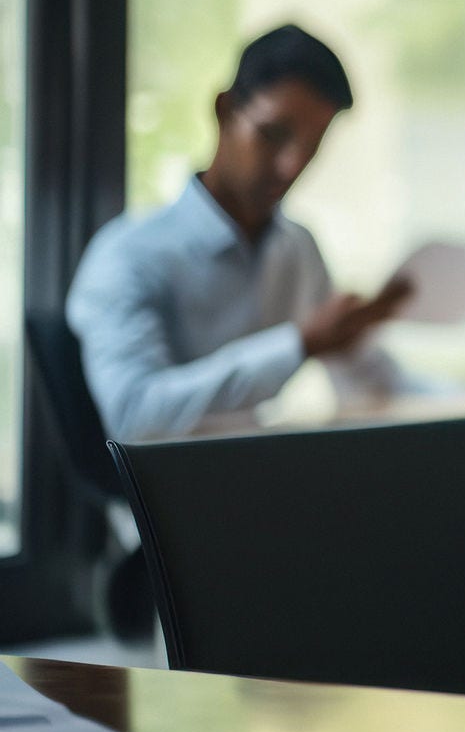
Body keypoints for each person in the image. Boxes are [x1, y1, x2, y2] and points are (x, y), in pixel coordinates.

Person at [67, 25, 415, 441]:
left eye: (311, 148)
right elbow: (136, 416)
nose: (291, 167)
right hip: (173, 500)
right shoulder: (127, 256)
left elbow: (365, 377)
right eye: (274, 135)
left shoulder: (298, 249)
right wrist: (298, 345)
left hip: (268, 483)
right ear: (225, 110)